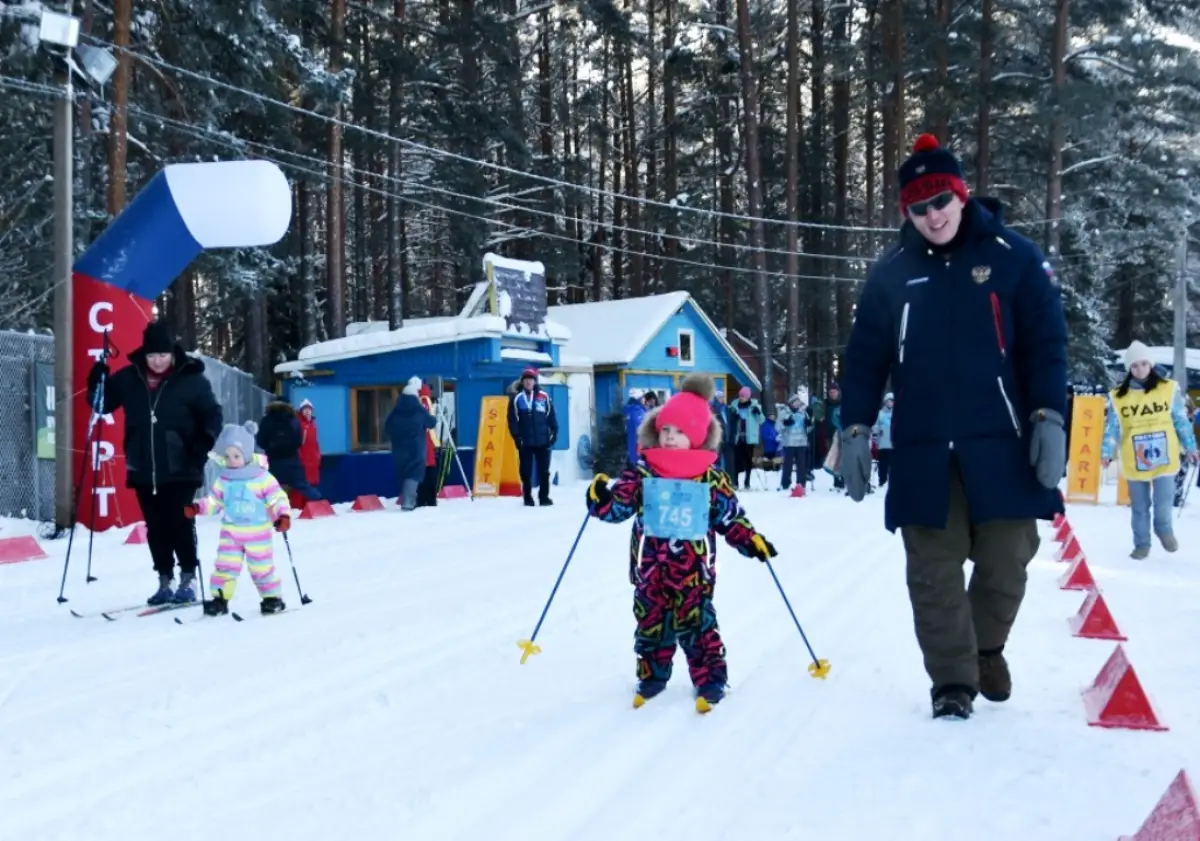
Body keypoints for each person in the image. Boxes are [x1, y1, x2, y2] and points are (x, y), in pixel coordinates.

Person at [839, 133, 1068, 720]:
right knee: (932, 572)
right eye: (918, 206)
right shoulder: (890, 274)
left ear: (961, 195)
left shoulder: (1013, 256)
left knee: (1007, 556)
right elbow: (865, 358)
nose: (933, 215)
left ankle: (986, 648)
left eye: (941, 199)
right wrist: (857, 428)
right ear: (905, 213)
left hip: (1004, 442)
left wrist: (1048, 414)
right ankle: (952, 682)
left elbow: (1046, 343)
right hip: (923, 448)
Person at [584, 374, 778, 713]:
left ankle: (711, 679)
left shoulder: (710, 478)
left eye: (679, 432)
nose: (670, 437)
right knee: (650, 624)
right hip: (650, 570)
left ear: (698, 437)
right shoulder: (645, 472)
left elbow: (730, 517)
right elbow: (620, 506)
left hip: (694, 573)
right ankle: (652, 676)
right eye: (665, 430)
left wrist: (752, 541)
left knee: (698, 626)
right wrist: (601, 501)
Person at [86, 321, 223, 606]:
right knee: (155, 526)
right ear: (144, 355)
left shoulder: (192, 379)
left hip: (182, 464)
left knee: (179, 522)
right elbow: (101, 404)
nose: (158, 361)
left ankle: (188, 578)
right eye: (152, 356)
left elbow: (212, 414)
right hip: (143, 465)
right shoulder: (129, 378)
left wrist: (203, 443)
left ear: (172, 353)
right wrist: (96, 378)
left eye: (163, 355)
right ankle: (164, 579)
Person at [1101, 341, 1197, 558]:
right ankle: (1142, 543)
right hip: (1135, 458)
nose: (1140, 369)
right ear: (1129, 369)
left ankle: (1164, 529)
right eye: (1134, 365)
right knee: (1140, 505)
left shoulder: (1168, 389)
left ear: (1150, 365)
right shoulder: (1119, 396)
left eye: (1144, 364)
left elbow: (1180, 420)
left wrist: (1191, 446)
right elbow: (1113, 428)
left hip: (1165, 455)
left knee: (1163, 500)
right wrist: (1106, 452)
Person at [185, 423, 290, 616]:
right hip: (231, 533)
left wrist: (282, 515)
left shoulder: (261, 477)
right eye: (227, 457)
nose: (231, 461)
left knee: (261, 567)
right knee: (225, 566)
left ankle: (272, 598)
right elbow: (214, 501)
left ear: (247, 455)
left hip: (257, 533)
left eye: (236, 456)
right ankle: (220, 599)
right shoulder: (225, 479)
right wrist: (198, 507)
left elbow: (277, 497)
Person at [256, 400, 324, 508]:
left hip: (274, 461)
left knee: (270, 486)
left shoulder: (266, 420)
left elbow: (260, 441)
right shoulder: (293, 419)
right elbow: (299, 440)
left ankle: (268, 509)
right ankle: (321, 503)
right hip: (292, 459)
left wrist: (271, 448)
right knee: (302, 485)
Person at [507, 367, 558, 506]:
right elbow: (512, 420)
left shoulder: (544, 396)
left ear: (535, 381)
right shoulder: (517, 399)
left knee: (544, 471)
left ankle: (544, 497)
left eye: (531, 379)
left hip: (543, 441)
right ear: (523, 382)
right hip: (525, 442)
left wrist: (554, 432)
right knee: (525, 472)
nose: (529, 382)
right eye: (526, 380)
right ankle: (527, 497)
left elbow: (551, 416)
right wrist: (517, 437)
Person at [386, 376, 437, 511]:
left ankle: (408, 499)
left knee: (404, 472)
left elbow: (387, 427)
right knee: (414, 473)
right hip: (416, 447)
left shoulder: (396, 412)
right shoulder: (418, 410)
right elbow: (431, 423)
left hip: (399, 449)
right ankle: (409, 501)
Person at [778, 391, 811, 491]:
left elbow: (809, 428)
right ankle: (785, 483)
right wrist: (785, 423)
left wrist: (808, 423)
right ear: (791, 403)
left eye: (798, 402)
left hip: (801, 442)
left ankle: (801, 483)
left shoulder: (803, 412)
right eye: (795, 402)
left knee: (801, 464)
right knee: (787, 464)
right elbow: (778, 426)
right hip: (789, 442)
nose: (797, 404)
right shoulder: (784, 412)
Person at [296, 399, 322, 500]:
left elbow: (315, 442)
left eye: (309, 409)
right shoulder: (299, 424)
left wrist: (317, 456)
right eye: (305, 409)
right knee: (303, 484)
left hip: (313, 460)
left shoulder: (313, 425)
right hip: (303, 460)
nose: (307, 411)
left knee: (312, 482)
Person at [873, 393, 894, 487]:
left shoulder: (897, 413)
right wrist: (875, 436)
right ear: (885, 402)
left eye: (892, 401)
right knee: (883, 464)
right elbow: (875, 426)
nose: (890, 403)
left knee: (894, 465)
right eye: (888, 401)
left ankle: (893, 483)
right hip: (883, 444)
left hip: (894, 445)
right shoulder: (880, 414)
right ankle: (882, 481)